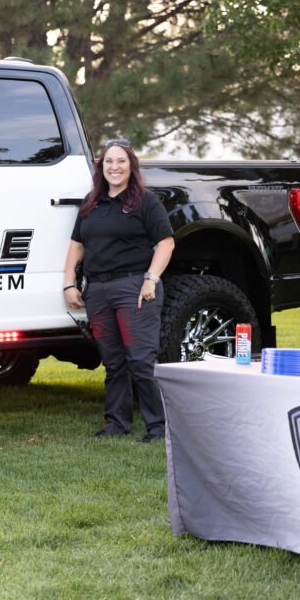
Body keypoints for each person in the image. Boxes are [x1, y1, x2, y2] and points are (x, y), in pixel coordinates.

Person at [63, 139, 175, 443]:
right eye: (108, 162)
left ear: (131, 166)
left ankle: (159, 427)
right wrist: (69, 283)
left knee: (140, 360)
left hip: (134, 287)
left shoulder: (145, 202)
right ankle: (116, 424)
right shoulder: (91, 203)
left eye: (121, 161)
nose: (114, 167)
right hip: (98, 290)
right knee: (113, 362)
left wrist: (150, 279)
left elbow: (166, 242)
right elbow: (77, 246)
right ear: (101, 168)